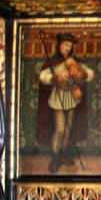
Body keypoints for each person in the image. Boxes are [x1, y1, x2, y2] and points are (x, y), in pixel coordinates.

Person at [37, 33, 94, 172]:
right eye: (65, 45)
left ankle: (62, 154)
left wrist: (82, 74)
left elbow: (90, 73)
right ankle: (55, 158)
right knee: (60, 129)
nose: (68, 49)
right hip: (58, 98)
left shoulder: (75, 61)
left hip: (72, 98)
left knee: (68, 130)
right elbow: (43, 76)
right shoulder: (53, 62)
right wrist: (56, 77)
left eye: (70, 46)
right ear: (59, 46)